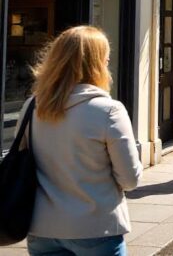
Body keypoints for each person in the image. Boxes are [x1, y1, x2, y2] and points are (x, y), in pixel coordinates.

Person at [20, 26, 142, 256]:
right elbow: (129, 179)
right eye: (106, 59)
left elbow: (22, 161)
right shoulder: (109, 111)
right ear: (97, 64)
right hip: (96, 229)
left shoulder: (32, 107)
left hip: (42, 228)